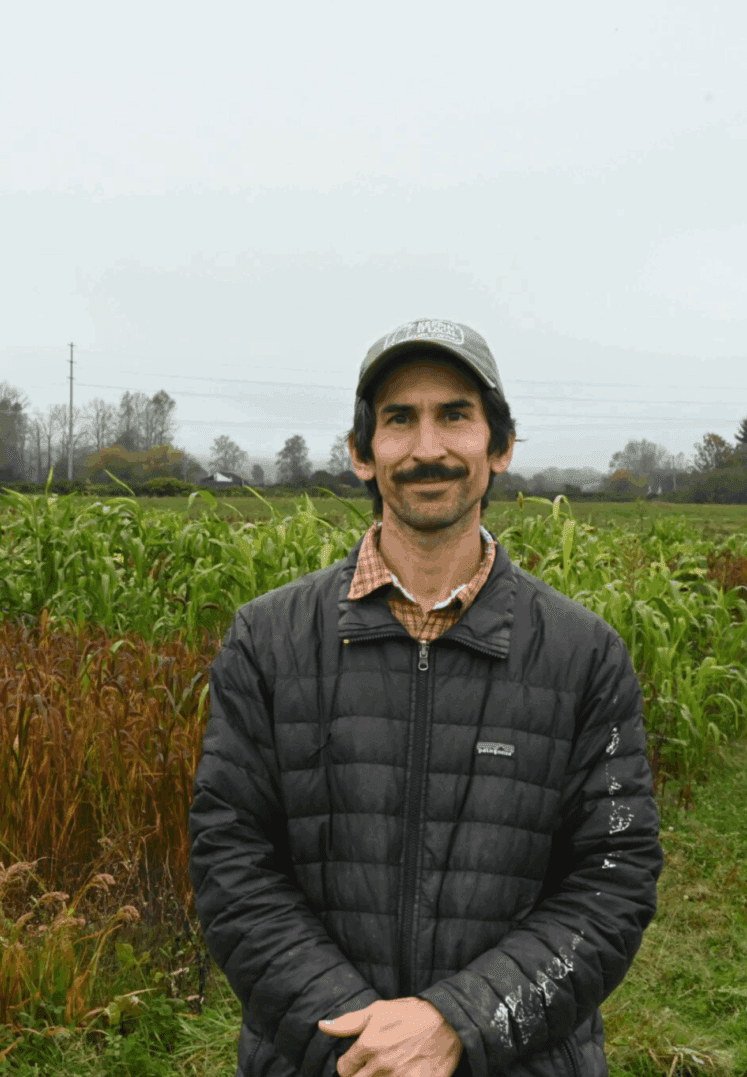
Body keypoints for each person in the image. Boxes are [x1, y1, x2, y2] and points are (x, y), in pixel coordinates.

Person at [189, 318, 664, 1077]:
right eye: (399, 419)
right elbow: (231, 861)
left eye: (455, 414)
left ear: (499, 447)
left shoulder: (584, 655)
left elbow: (613, 880)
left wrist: (455, 1026)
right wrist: (365, 1048)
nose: (427, 448)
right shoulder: (268, 641)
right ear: (360, 453)